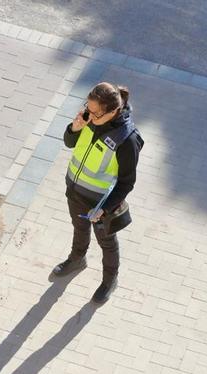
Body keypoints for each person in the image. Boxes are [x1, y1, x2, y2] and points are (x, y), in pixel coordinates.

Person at [50, 81, 144, 304]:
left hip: (100, 204)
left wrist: (105, 208)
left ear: (112, 111)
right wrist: (74, 127)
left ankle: (110, 280)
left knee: (107, 243)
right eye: (87, 108)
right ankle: (77, 259)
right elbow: (69, 143)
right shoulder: (87, 118)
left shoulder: (127, 139)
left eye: (95, 113)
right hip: (75, 190)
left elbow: (127, 182)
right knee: (78, 228)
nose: (89, 115)